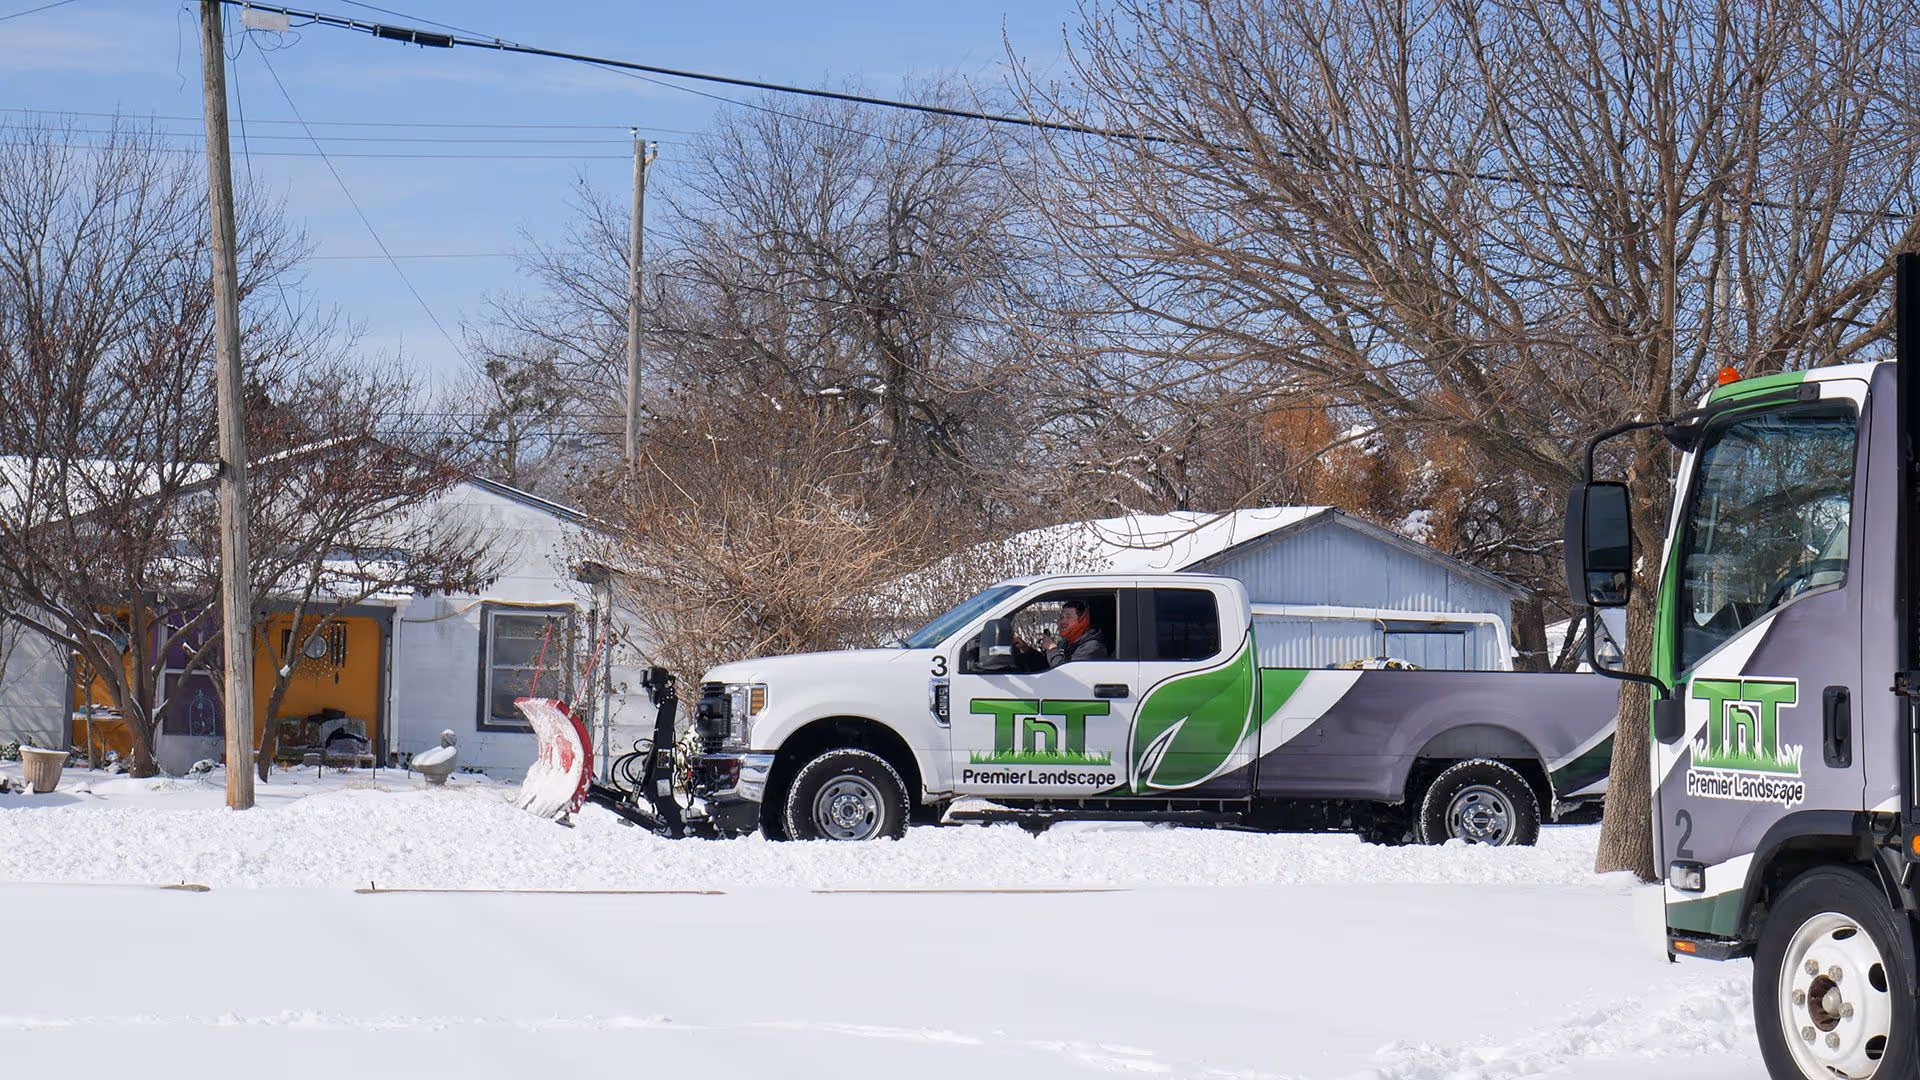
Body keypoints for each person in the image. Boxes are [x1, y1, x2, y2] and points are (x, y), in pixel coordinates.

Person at [1020, 598, 1108, 668]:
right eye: (1061, 617)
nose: (1063, 621)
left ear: (1082, 620)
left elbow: (1068, 675)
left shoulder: (1091, 647)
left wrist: (1052, 649)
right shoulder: (1066, 643)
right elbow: (1048, 667)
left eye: (1068, 617)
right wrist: (1026, 649)